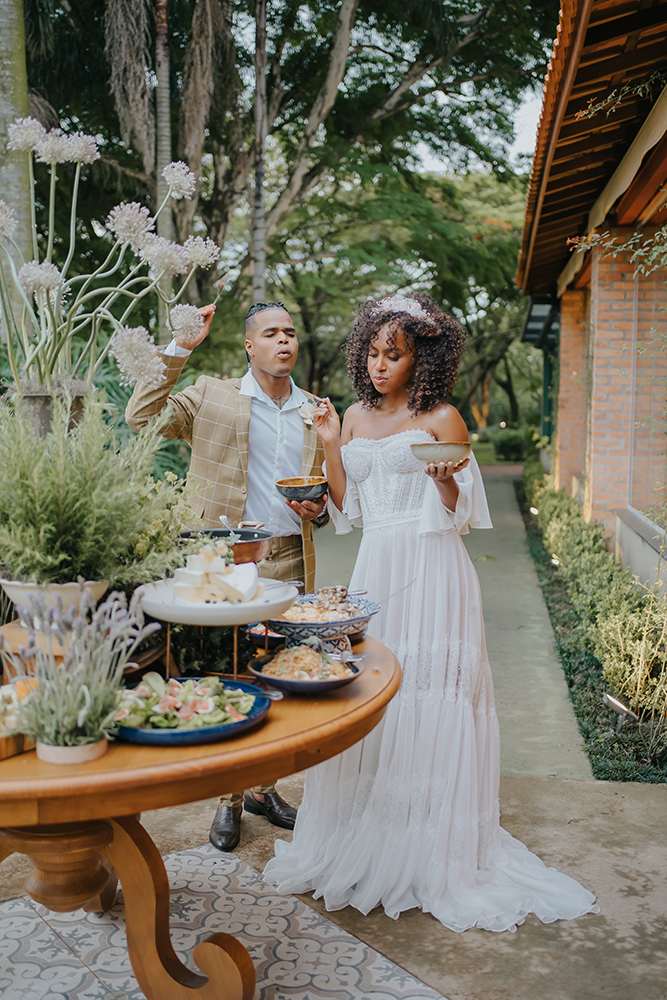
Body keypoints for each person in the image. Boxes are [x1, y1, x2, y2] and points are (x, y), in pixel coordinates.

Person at [263, 294, 599, 932]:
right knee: (374, 695)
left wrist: (446, 478)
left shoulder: (443, 416)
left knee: (430, 692)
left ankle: (430, 846)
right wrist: (331, 442)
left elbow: (461, 511)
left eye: (396, 354)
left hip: (436, 568)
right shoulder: (355, 417)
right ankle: (366, 832)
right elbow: (346, 506)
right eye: (373, 351)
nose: (381, 364)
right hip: (375, 568)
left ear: (424, 359)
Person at [126, 300, 328, 852]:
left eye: (290, 331)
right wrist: (180, 347)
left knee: (278, 674)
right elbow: (141, 416)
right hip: (223, 561)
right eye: (270, 333)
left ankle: (265, 789)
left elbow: (323, 486)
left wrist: (320, 508)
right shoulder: (211, 395)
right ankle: (228, 800)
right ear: (249, 345)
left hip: (288, 556)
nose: (283, 340)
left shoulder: (314, 409)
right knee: (226, 671)